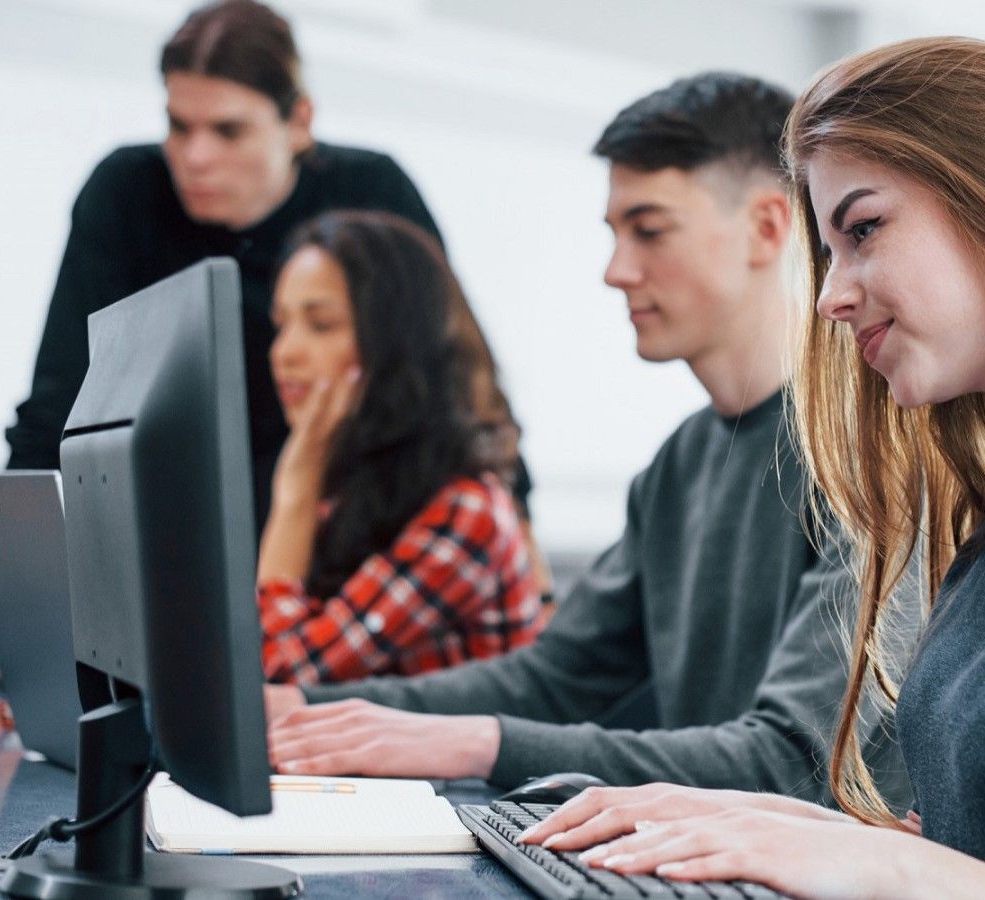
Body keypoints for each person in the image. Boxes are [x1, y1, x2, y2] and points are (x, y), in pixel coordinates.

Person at [517, 37, 985, 900]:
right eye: (829, 251)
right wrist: (772, 824)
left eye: (863, 230)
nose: (829, 294)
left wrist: (891, 866)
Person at [261, 72, 911, 808]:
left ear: (767, 226)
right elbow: (553, 677)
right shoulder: (680, 466)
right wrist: (310, 708)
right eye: (615, 234)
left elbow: (792, 763)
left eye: (650, 230)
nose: (616, 271)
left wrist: (478, 741)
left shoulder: (871, 450)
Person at [0, 0, 542, 689]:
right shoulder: (128, 193)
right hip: (194, 535)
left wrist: (520, 551)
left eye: (228, 130)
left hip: (337, 525)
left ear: (298, 121)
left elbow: (455, 370)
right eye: (178, 126)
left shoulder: (370, 197)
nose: (196, 156)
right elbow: (58, 407)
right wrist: (12, 628)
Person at [259, 210, 543, 684]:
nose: (284, 352)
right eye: (282, 324)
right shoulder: (356, 489)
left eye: (321, 325)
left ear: (393, 344)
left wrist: (296, 484)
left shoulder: (465, 512)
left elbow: (286, 674)